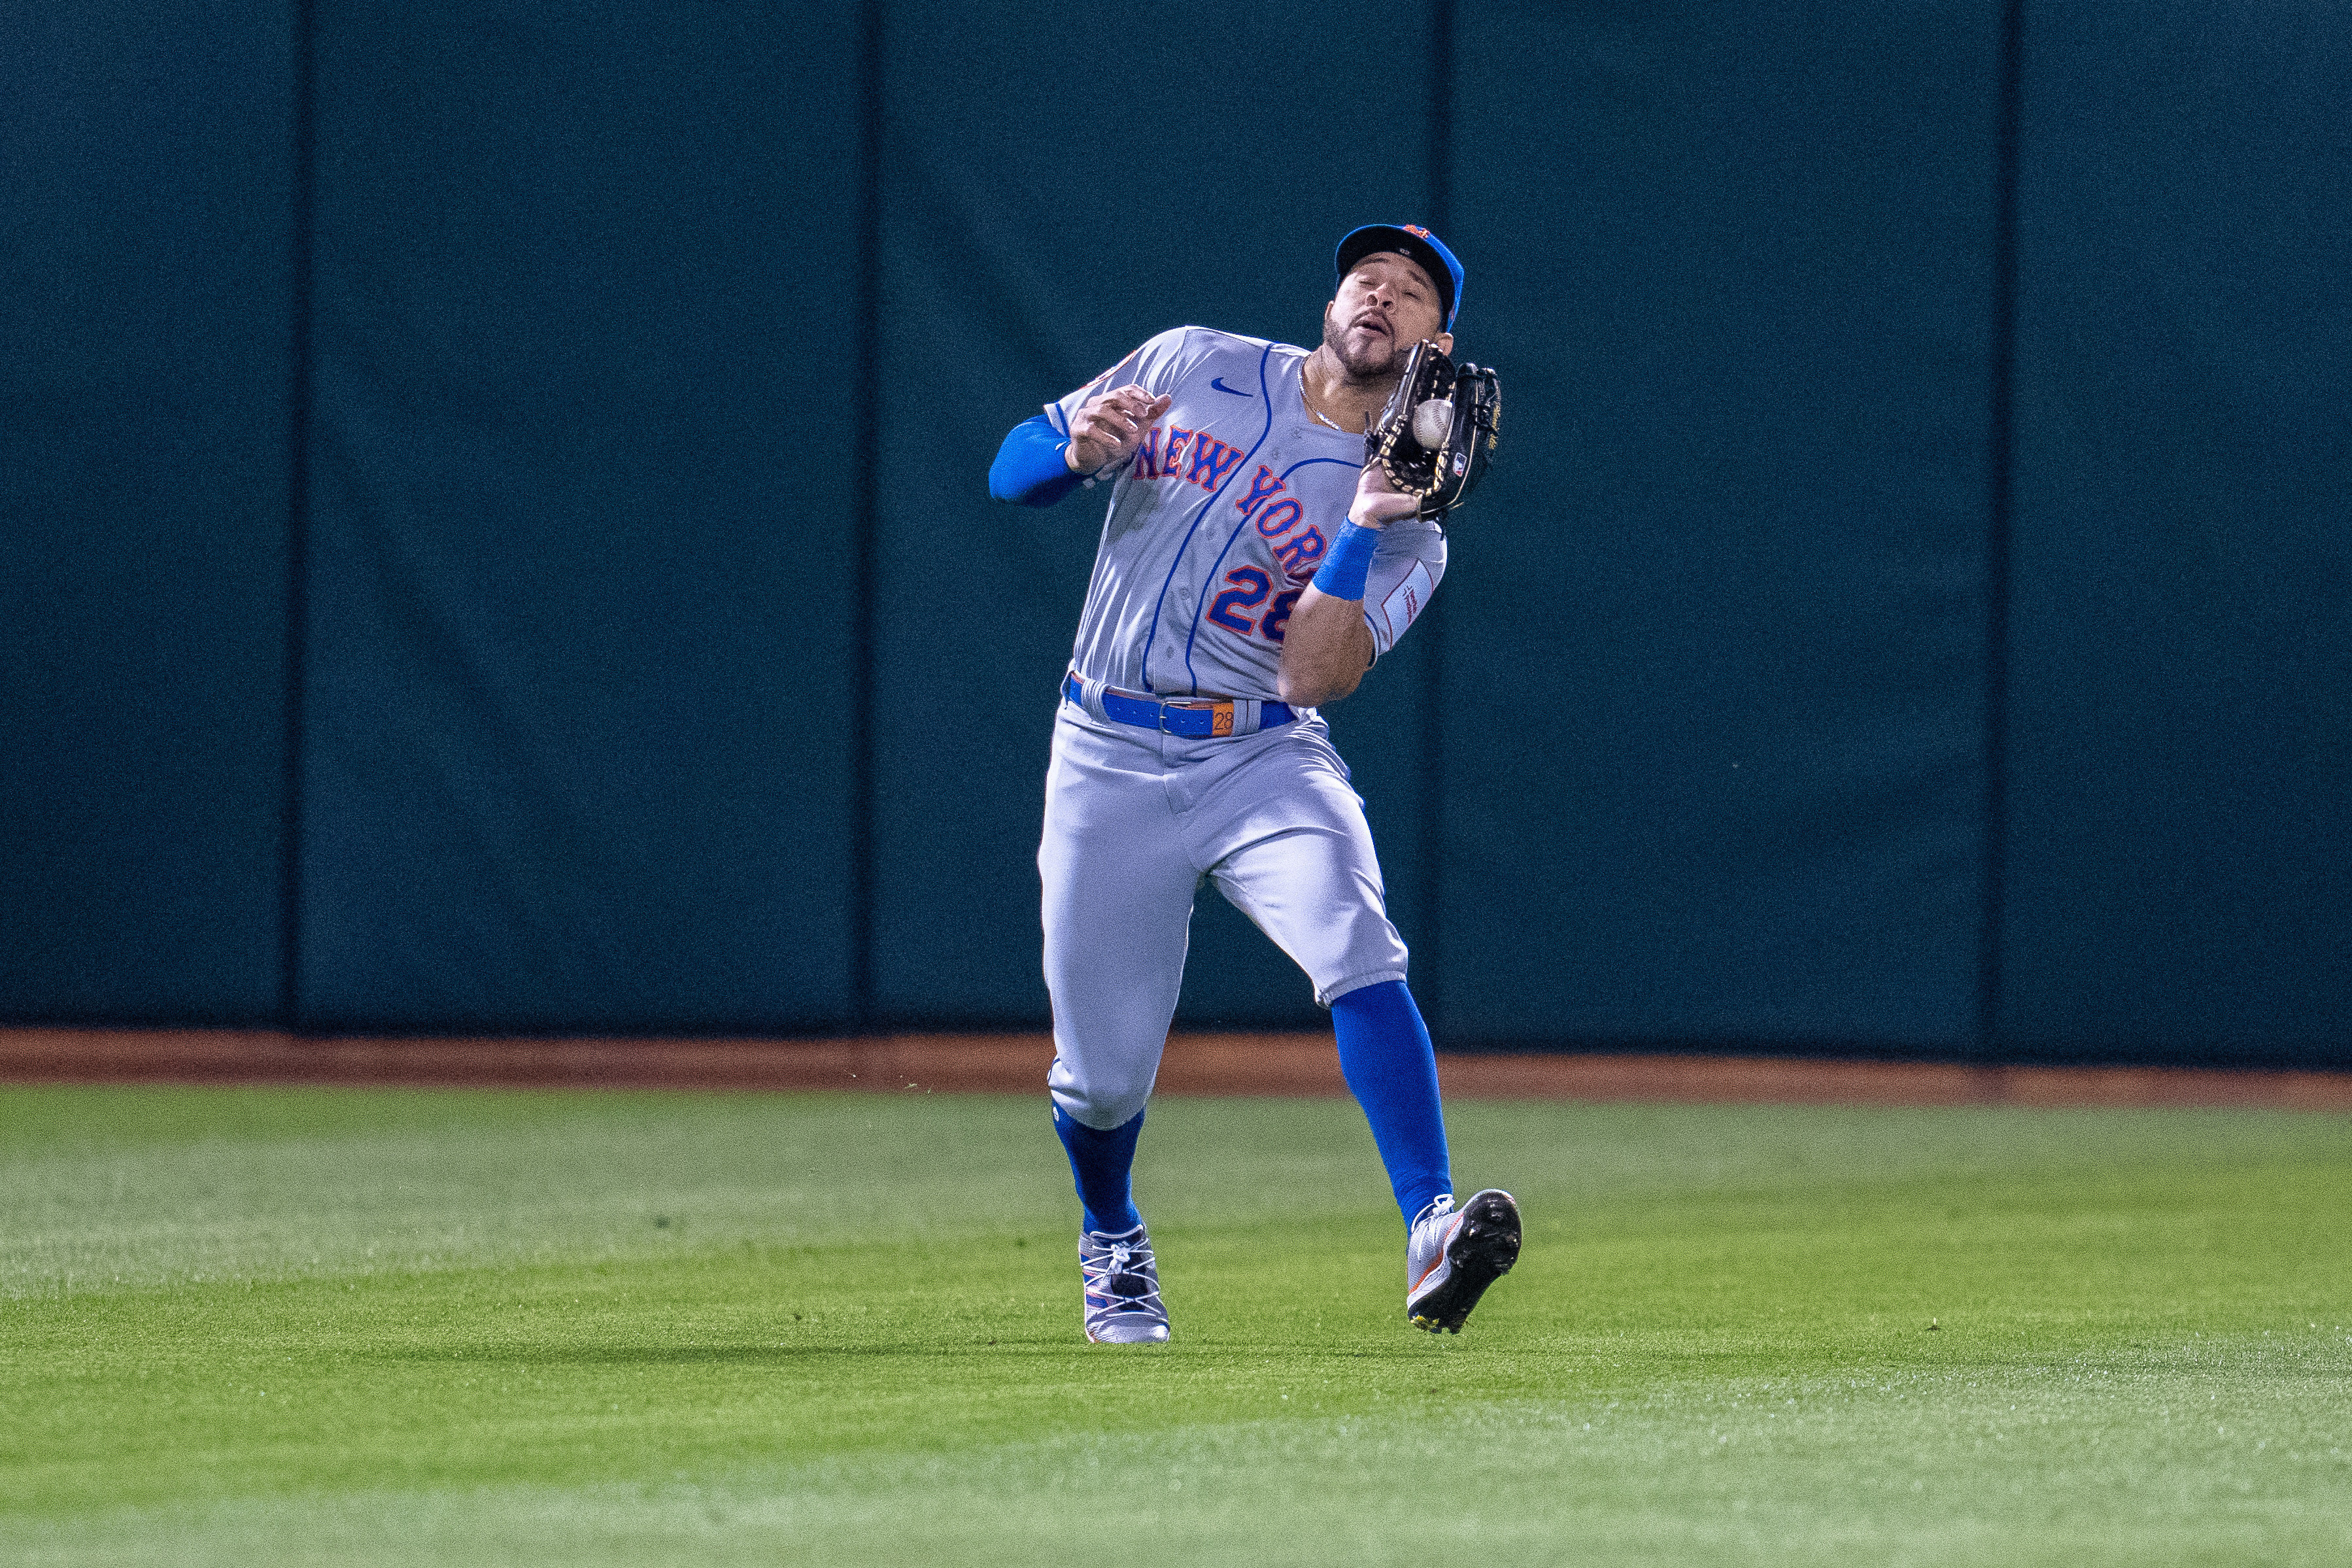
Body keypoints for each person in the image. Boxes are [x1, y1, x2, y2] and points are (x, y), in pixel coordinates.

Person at [987, 224, 1520, 1342]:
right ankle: (1111, 1235)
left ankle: (1430, 1223)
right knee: (1097, 1079)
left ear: (1438, 341)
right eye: (1366, 276)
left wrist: (1366, 525)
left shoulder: (1412, 532)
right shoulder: (1193, 362)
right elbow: (1008, 471)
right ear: (1332, 299)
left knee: (1356, 943)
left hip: (1261, 751)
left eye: (1412, 290)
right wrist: (1073, 452)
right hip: (1105, 750)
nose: (1381, 293)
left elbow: (1311, 673)